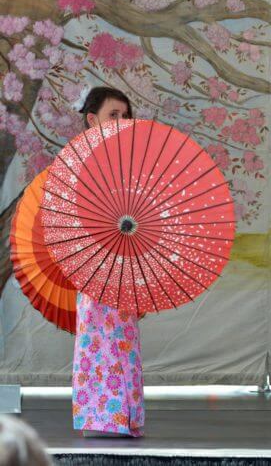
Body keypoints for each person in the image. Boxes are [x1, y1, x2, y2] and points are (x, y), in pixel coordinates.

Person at [72, 87, 144, 438]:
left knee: (124, 337)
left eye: (125, 116)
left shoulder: (128, 162)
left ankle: (123, 417)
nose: (121, 122)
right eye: (113, 115)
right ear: (91, 119)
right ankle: (100, 417)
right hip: (94, 259)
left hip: (124, 257)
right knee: (99, 337)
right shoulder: (81, 161)